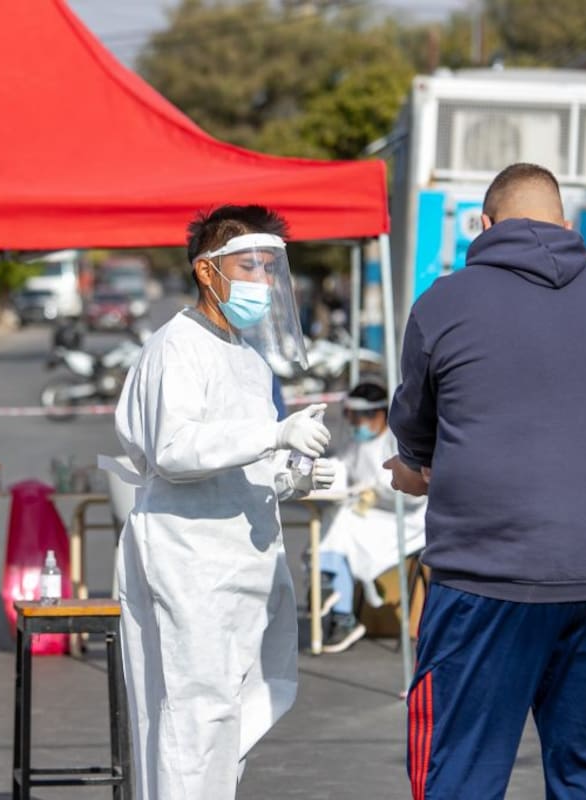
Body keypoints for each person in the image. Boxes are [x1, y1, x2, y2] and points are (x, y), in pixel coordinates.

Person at [386, 163, 586, 798]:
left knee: (457, 776)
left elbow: (416, 435)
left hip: (487, 578)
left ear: (484, 225)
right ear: (567, 225)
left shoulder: (445, 301)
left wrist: (413, 469)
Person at [114, 204, 336, 800]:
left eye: (269, 267)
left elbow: (245, 455)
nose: (262, 281)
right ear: (207, 272)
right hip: (190, 559)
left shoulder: (247, 356)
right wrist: (273, 434)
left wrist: (293, 473)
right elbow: (174, 449)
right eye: (249, 265)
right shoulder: (176, 347)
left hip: (242, 559)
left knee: (234, 713)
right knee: (193, 717)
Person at [316, 382, 427, 654]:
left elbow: (415, 494)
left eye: (359, 416)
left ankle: (338, 604)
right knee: (337, 519)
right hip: (366, 517)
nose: (354, 423)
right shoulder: (355, 443)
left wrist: (377, 490)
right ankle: (335, 596)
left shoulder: (396, 442)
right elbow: (340, 468)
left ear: (379, 415)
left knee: (341, 524)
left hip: (402, 521)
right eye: (350, 416)